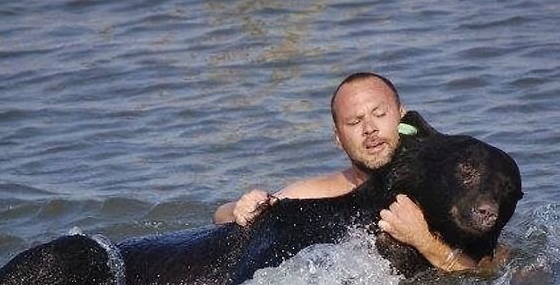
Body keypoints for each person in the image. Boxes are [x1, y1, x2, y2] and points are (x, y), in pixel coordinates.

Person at [213, 72, 504, 272]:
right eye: (354, 122)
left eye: (379, 114)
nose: (370, 129)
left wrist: (424, 241)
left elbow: (494, 273)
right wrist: (240, 208)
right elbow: (222, 217)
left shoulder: (438, 189)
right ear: (338, 138)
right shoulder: (321, 193)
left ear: (402, 117)